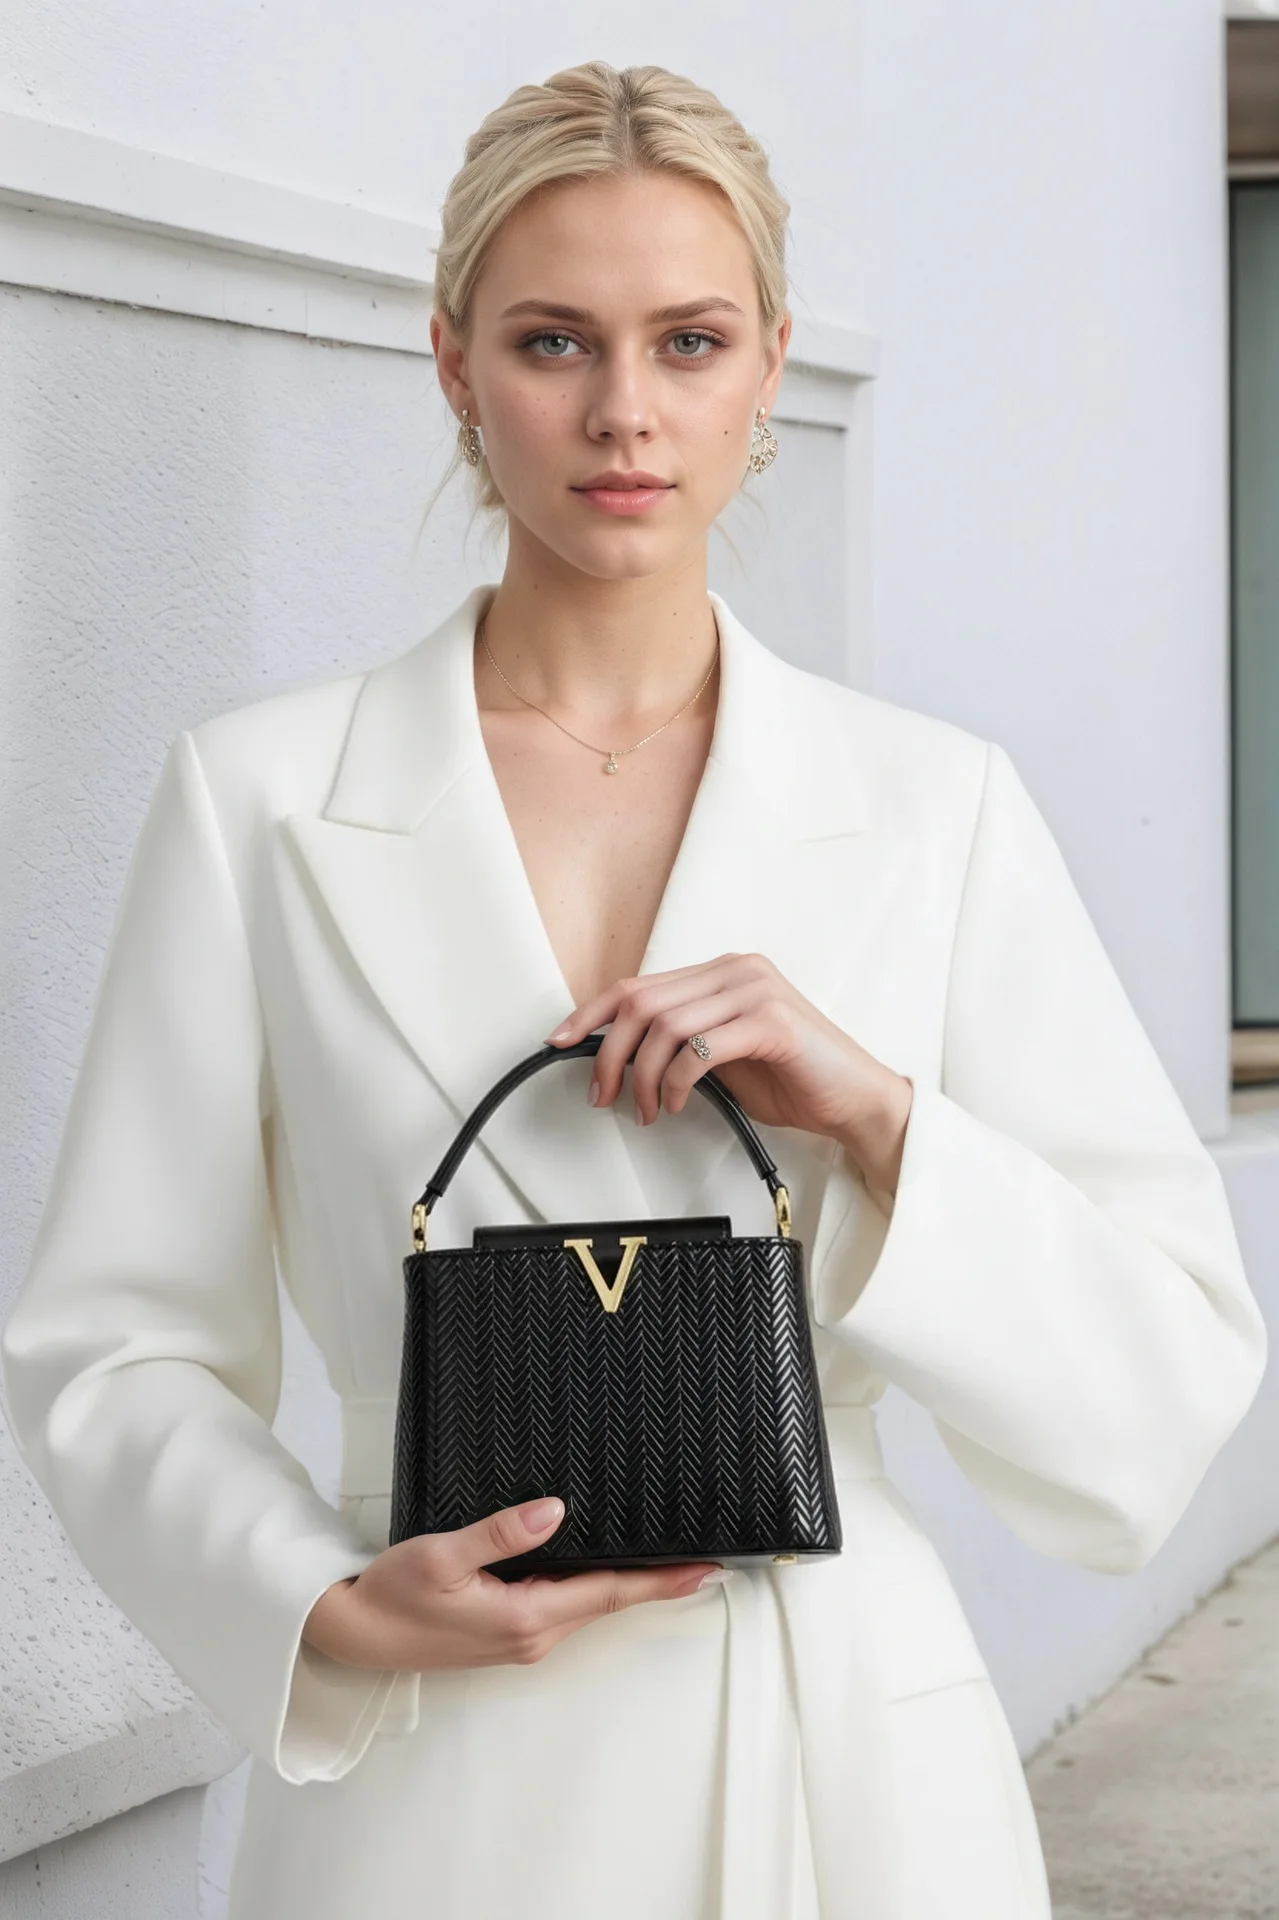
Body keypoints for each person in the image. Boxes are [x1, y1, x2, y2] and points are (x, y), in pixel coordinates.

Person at [0, 58, 1267, 1920]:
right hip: (430, 1782)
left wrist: (875, 1115)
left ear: (768, 367)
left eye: (688, 342)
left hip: (838, 1761)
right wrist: (323, 1601)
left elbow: (1166, 1372)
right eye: (551, 342)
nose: (623, 410)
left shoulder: (931, 809)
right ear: (452, 364)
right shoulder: (257, 803)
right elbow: (117, 1345)